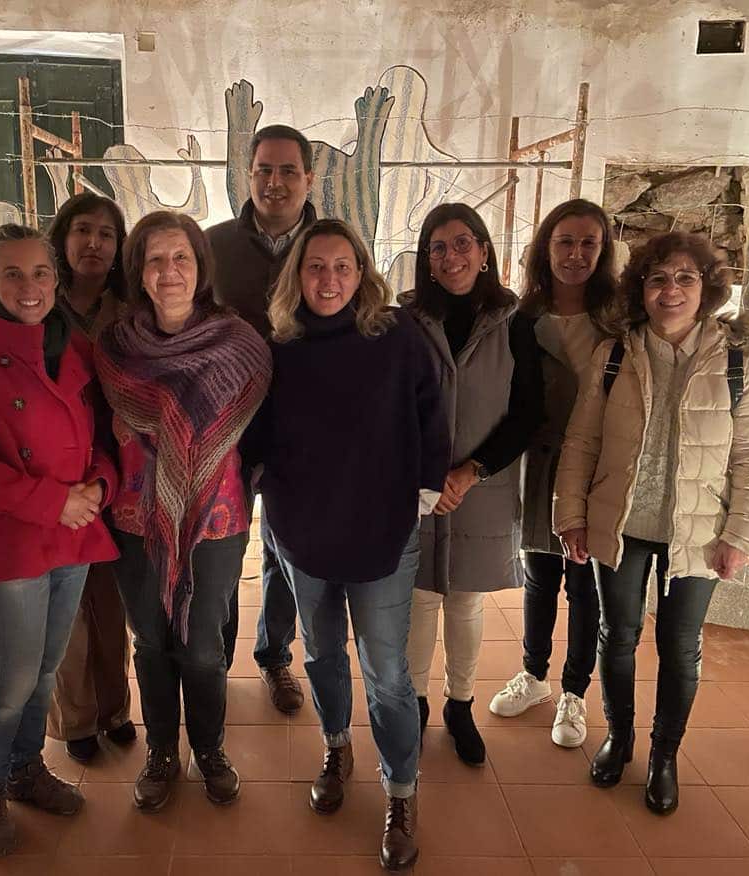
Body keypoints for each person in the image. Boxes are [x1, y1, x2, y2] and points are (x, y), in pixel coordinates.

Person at [245, 218, 450, 871]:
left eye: (341, 266)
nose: (328, 279)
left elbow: (433, 410)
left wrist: (424, 489)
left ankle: (401, 792)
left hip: (382, 527)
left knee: (387, 672)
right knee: (323, 654)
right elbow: (257, 432)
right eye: (315, 266)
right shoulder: (280, 344)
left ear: (362, 273)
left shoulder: (397, 335)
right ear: (297, 275)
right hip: (303, 529)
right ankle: (336, 747)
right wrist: (259, 487)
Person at [554, 231, 749, 814]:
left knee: (680, 647)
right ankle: (619, 738)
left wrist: (740, 535)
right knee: (618, 635)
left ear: (707, 288)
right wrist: (571, 515)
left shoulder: (738, 361)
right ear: (641, 289)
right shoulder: (615, 355)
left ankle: (664, 755)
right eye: (657, 279)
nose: (670, 290)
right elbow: (581, 441)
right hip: (621, 524)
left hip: (698, 533)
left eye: (684, 278)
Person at [0, 223, 120, 856]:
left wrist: (100, 485)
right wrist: (55, 502)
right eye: (12, 273)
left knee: (45, 670)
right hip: (10, 540)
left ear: (55, 279)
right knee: (12, 678)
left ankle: (25, 769)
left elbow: (102, 435)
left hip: (73, 533)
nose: (29, 286)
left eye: (40, 273)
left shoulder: (74, 347)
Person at [94, 211, 271, 813]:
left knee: (201, 647)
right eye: (155, 259)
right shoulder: (115, 348)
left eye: (181, 258)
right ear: (137, 271)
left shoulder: (240, 344)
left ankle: (211, 749)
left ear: (201, 268)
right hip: (135, 517)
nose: (169, 271)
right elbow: (97, 432)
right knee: (150, 641)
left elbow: (262, 435)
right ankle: (162, 753)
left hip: (216, 520)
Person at [401, 203, 542, 767]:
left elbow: (527, 412)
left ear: (484, 252)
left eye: (463, 243)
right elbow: (389, 406)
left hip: (483, 486)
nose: (451, 256)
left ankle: (460, 704)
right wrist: (425, 473)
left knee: (465, 600)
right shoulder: (405, 322)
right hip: (417, 484)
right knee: (419, 597)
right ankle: (413, 704)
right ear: (426, 261)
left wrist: (470, 471)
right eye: (438, 247)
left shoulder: (516, 323)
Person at [489, 199, 617, 749]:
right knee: (539, 574)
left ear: (604, 251)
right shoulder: (523, 318)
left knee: (585, 584)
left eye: (589, 243)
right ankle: (534, 673)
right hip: (540, 462)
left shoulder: (618, 320)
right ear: (546, 247)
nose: (576, 254)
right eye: (565, 241)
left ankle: (574, 690)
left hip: (598, 466)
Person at [208, 123, 318, 713]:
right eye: (264, 170)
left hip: (300, 431)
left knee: (285, 549)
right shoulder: (212, 246)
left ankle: (275, 657)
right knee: (222, 548)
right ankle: (215, 663)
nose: (276, 183)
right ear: (247, 176)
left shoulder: (329, 247)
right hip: (224, 432)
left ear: (309, 178)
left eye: (288, 171)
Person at [45, 193, 136, 763]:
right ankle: (75, 720)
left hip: (119, 473)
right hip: (57, 477)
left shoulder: (129, 310)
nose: (94, 243)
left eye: (106, 234)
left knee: (111, 601)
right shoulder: (38, 304)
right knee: (67, 606)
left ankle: (115, 709)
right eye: (82, 230)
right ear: (62, 238)